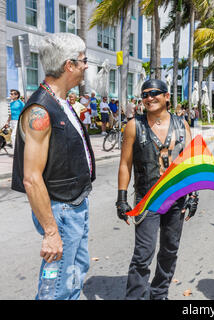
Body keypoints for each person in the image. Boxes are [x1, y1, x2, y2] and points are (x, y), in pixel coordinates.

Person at [11, 33, 95, 300]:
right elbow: (32, 178)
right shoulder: (41, 110)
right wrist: (51, 233)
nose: (86, 66)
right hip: (61, 211)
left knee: (73, 277)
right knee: (56, 288)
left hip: (74, 205)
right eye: (83, 61)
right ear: (68, 65)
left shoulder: (61, 101)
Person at [117, 79, 198, 300]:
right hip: (147, 199)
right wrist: (122, 198)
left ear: (166, 96)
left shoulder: (182, 125)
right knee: (143, 255)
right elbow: (125, 163)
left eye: (154, 93)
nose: (149, 98)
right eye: (145, 95)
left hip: (177, 198)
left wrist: (193, 195)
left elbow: (189, 163)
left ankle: (159, 294)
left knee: (169, 251)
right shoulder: (134, 125)